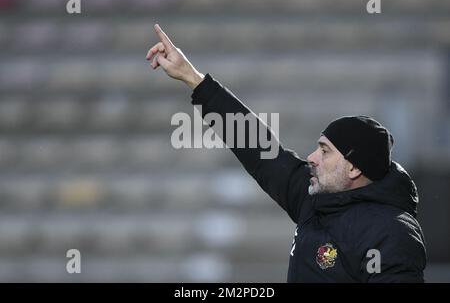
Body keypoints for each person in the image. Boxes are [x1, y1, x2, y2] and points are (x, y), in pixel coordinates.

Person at [146, 24, 427, 282]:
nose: (312, 158)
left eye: (325, 151)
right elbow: (258, 148)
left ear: (354, 168)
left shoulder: (392, 234)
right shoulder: (314, 199)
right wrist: (193, 78)